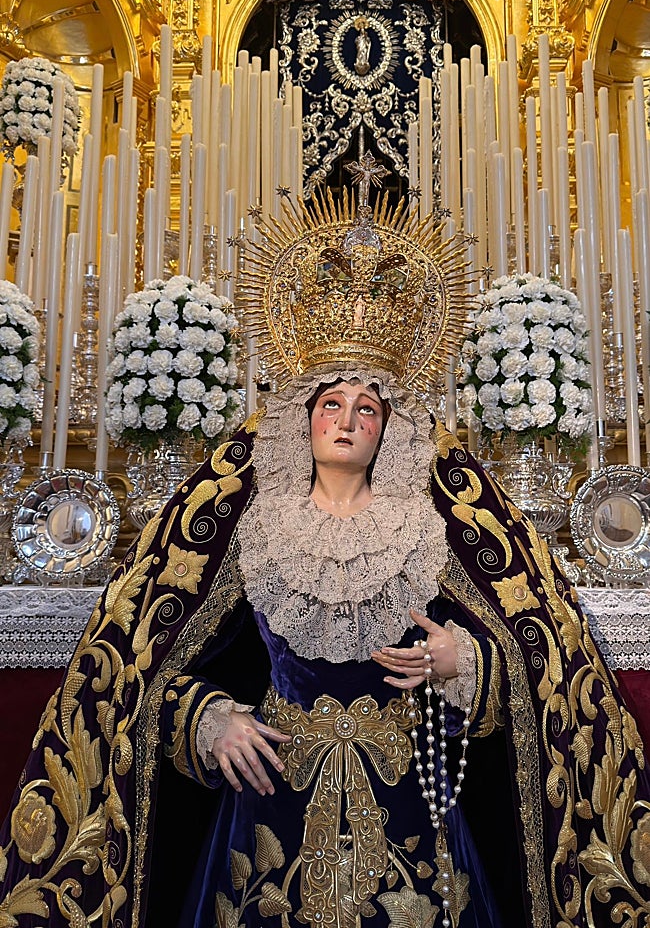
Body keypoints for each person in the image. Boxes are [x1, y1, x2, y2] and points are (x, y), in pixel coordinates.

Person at [1, 186, 650, 928]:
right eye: (331, 404)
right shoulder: (253, 524)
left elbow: (539, 655)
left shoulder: (427, 526)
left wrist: (466, 663)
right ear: (303, 418)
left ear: (388, 429)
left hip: (412, 805)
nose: (346, 421)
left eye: (366, 409)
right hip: (269, 798)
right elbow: (146, 665)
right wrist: (209, 719)